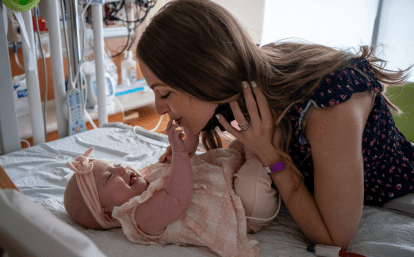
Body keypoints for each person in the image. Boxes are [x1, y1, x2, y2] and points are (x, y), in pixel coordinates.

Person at [136, 0, 414, 250]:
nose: (159, 108)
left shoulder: (329, 107)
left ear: (204, 76)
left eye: (164, 93)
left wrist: (271, 156)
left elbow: (334, 238)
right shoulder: (242, 91)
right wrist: (188, 157)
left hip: (395, 190)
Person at [63, 120, 280, 257]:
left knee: (234, 146)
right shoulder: (139, 218)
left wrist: (188, 142)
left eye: (116, 165)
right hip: (245, 209)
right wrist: (179, 155)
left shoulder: (148, 178)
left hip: (228, 177)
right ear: (107, 213)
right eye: (110, 176)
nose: (121, 169)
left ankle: (260, 148)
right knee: (252, 180)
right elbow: (177, 196)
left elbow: (183, 166)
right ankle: (274, 159)